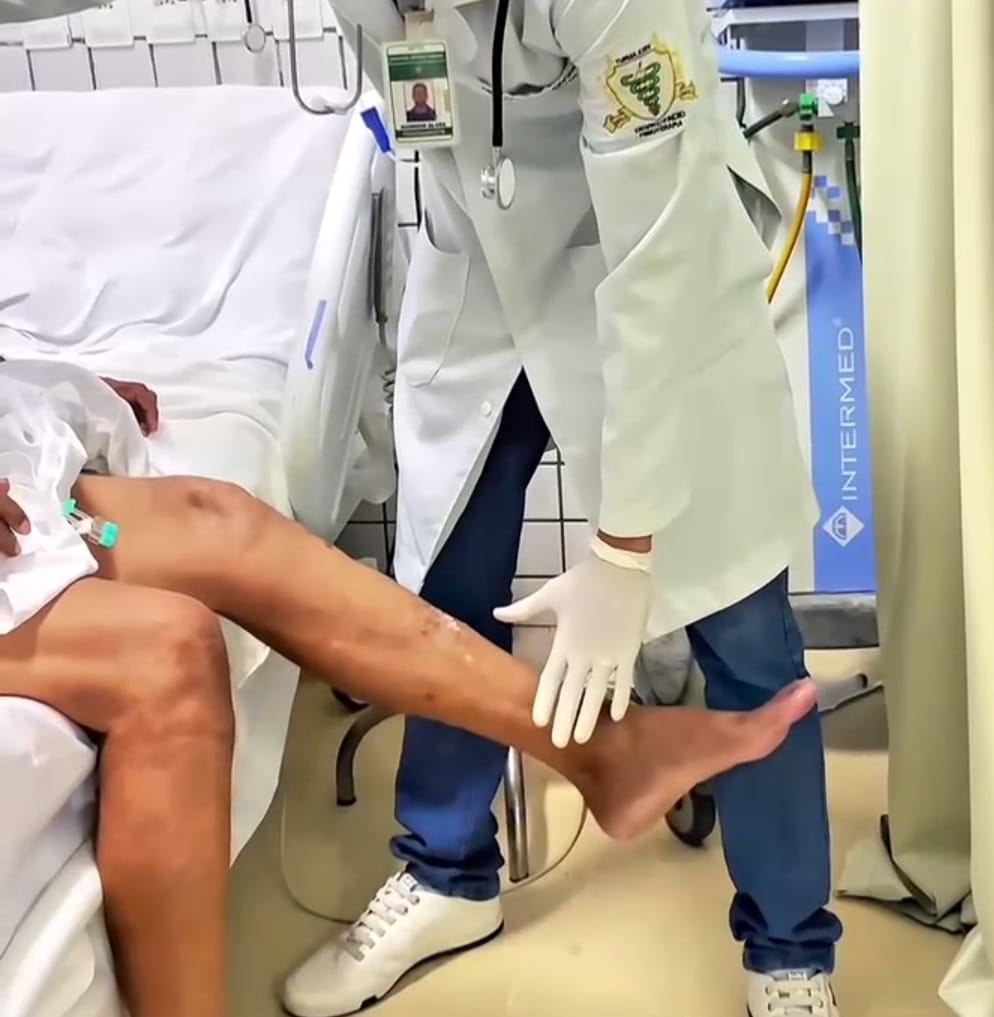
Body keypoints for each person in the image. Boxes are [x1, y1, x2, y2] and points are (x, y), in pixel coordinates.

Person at [287, 2, 843, 1017]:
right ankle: (445, 873)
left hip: (650, 272)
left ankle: (789, 951)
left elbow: (652, 264)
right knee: (447, 597)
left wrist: (624, 553)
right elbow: (424, 113)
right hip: (480, 280)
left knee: (742, 628)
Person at [0, 366, 818, 1017]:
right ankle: (502, 826)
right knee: (169, 650)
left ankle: (614, 762)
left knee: (215, 519)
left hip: (28, 504)